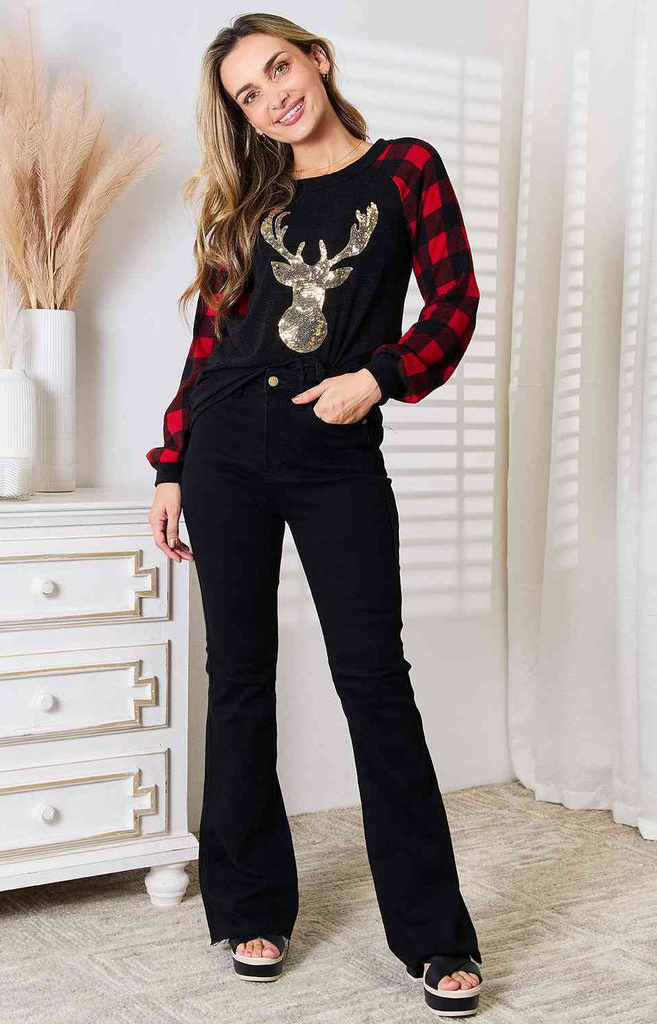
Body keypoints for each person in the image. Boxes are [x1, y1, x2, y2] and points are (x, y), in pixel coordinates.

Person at [146, 12, 484, 1016]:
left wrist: (376, 378)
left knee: (373, 684)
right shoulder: (246, 202)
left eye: (279, 70)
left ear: (318, 60)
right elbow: (208, 344)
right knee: (240, 679)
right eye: (248, 95)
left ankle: (434, 937)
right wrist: (171, 464)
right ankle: (250, 904)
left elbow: (453, 304)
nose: (272, 100)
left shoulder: (406, 169)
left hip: (333, 455)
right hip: (223, 455)